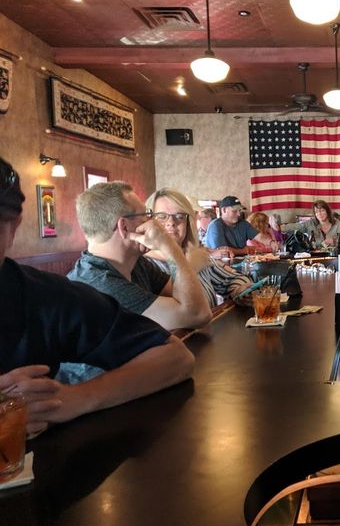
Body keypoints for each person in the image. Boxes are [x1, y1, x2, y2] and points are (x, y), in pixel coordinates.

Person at [0, 158, 194, 435]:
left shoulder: (46, 297)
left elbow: (176, 357)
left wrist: (71, 399)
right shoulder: (96, 277)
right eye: (146, 217)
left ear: (14, 227)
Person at [68, 181, 212, 331]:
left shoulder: (137, 263)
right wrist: (170, 247)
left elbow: (188, 299)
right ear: (124, 226)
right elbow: (198, 314)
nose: (152, 221)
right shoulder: (102, 285)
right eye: (145, 215)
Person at [145, 188, 253, 308]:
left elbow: (233, 278)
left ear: (188, 222)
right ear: (148, 220)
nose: (171, 222)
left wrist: (239, 290)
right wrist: (190, 266)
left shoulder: (194, 254)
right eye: (161, 216)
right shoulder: (143, 265)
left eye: (179, 216)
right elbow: (174, 310)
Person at [204, 195, 276, 254]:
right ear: (224, 210)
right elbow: (223, 252)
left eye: (240, 211)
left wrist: (271, 242)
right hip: (221, 267)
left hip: (240, 265)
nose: (239, 214)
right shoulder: (215, 226)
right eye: (235, 211)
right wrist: (245, 250)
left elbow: (260, 237)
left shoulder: (243, 223)